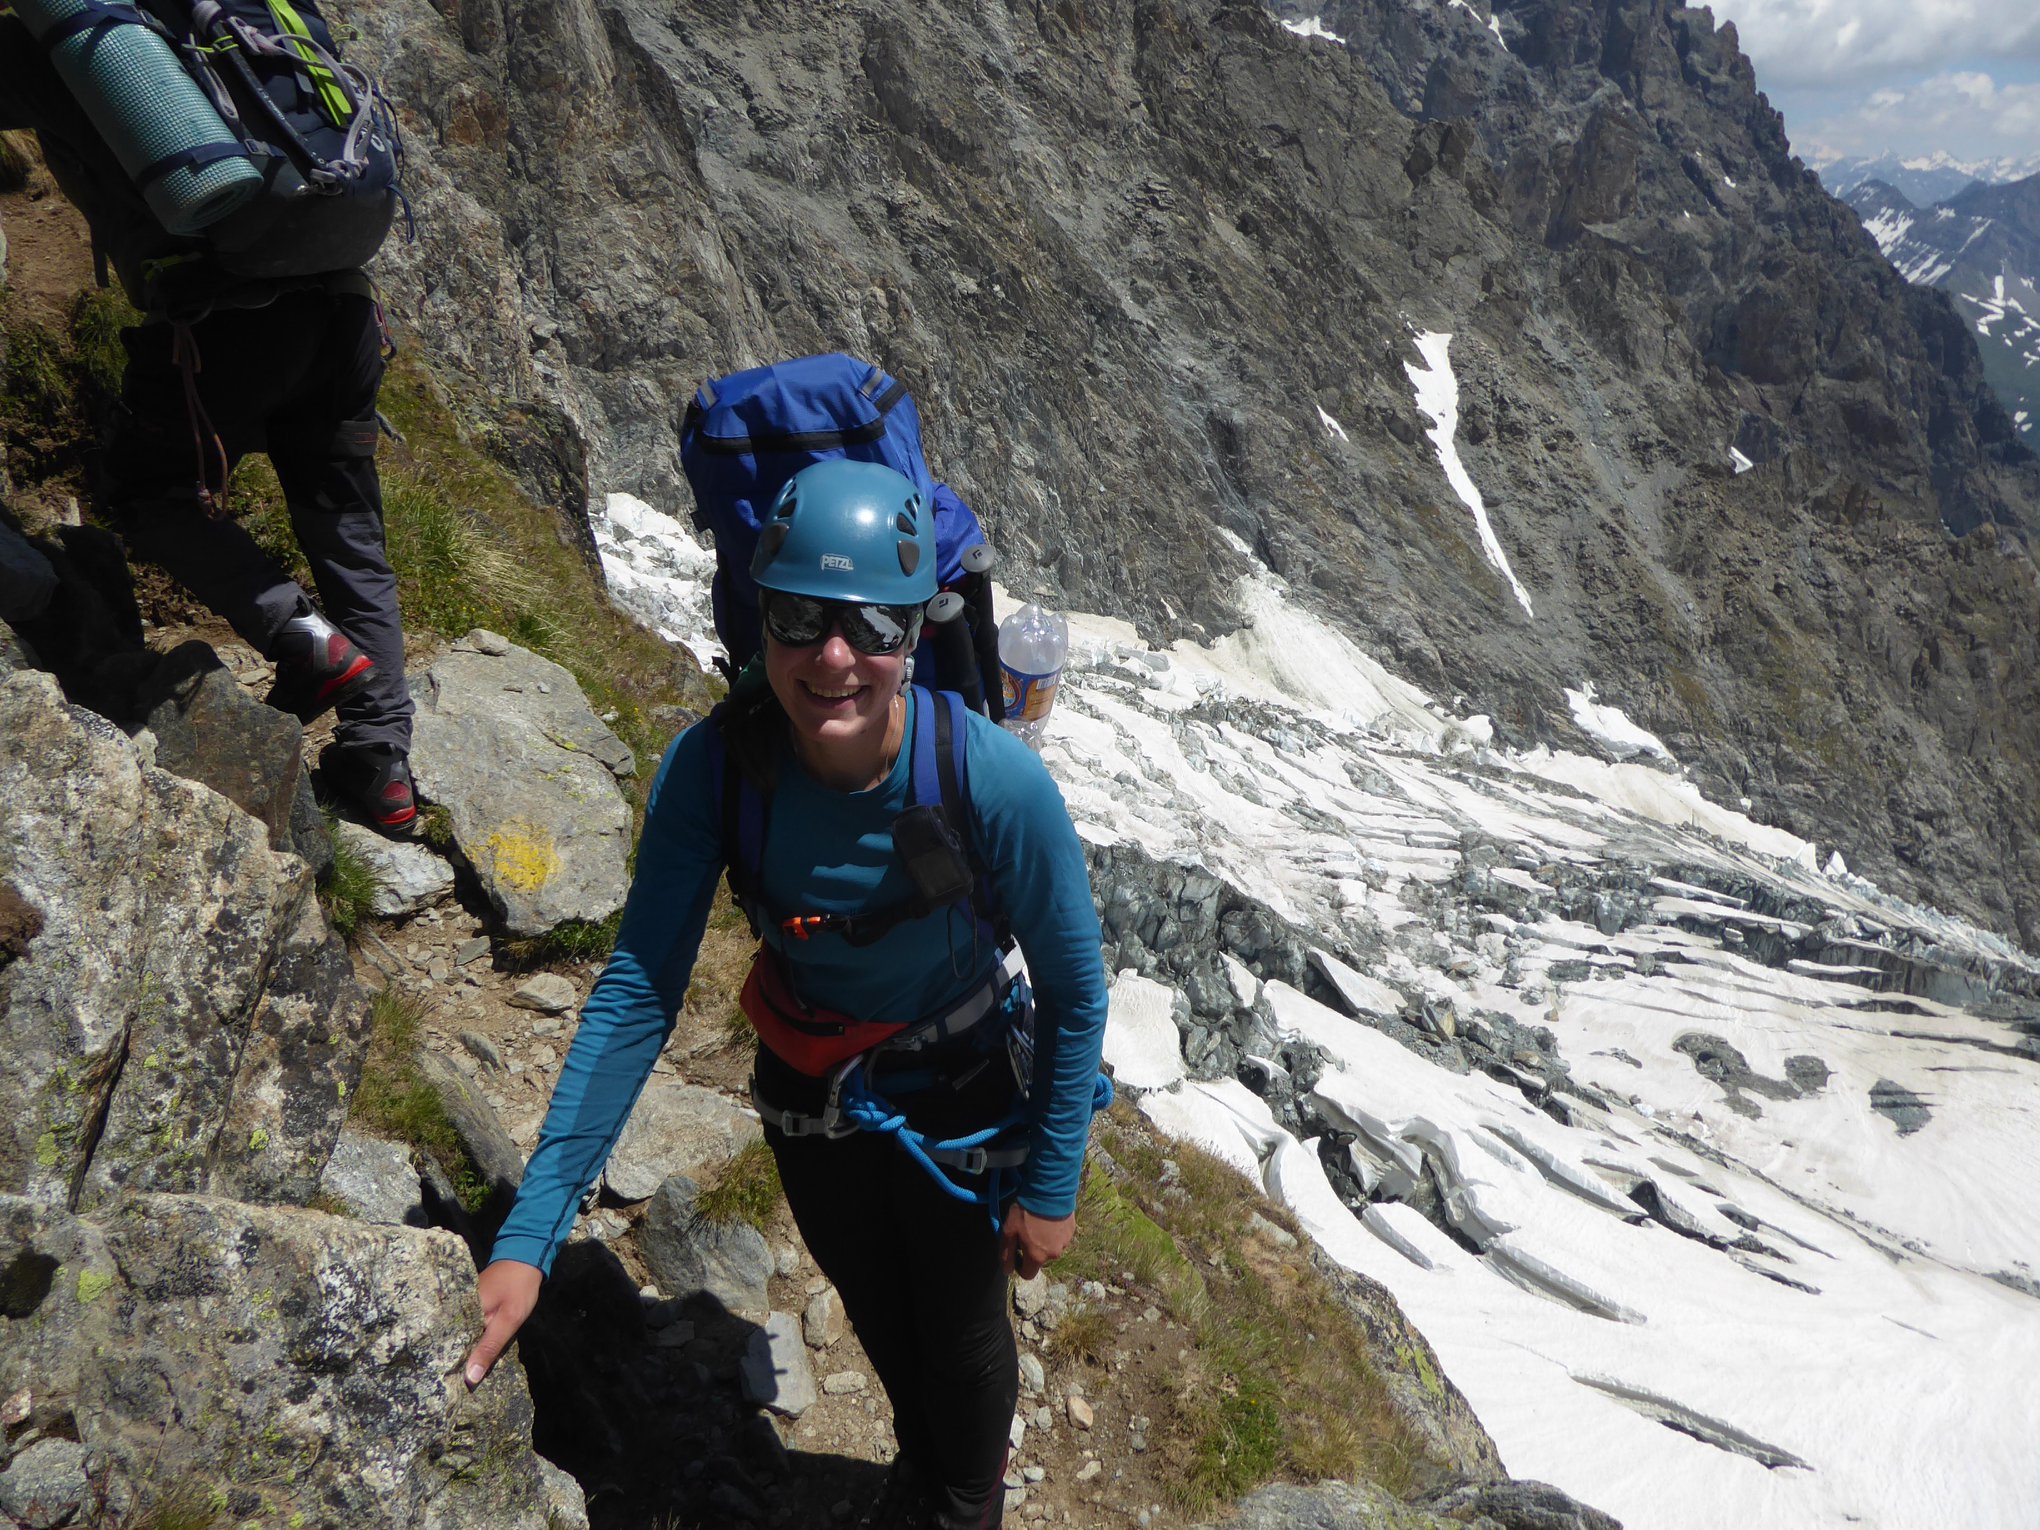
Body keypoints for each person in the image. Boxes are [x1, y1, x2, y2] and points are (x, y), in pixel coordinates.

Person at [464, 460, 1110, 1529]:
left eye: (873, 626)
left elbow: (1078, 986)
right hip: (811, 1111)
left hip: (959, 1110)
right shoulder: (716, 769)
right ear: (762, 618)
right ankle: (919, 1479)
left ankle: (955, 1503)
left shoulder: (992, 779)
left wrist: (1050, 1186)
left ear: (914, 633)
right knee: (890, 1334)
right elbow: (637, 992)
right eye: (802, 617)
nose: (836, 656)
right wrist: (529, 1240)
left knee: (960, 1353)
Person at [0, 21, 417, 830]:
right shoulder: (252, 26)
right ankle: (382, 766)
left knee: (148, 493)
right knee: (349, 537)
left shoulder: (88, 42)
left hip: (223, 319)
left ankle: (301, 636)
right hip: (347, 313)